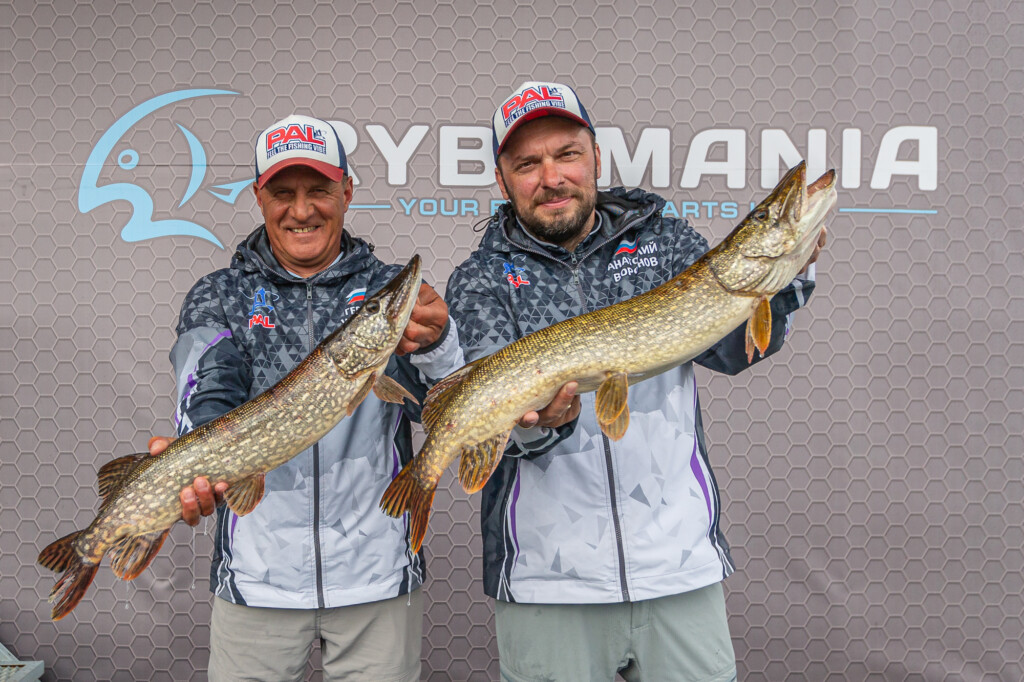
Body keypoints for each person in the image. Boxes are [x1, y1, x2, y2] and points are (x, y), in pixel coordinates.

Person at [445, 82, 826, 682]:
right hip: (549, 582)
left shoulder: (664, 241)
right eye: (528, 163)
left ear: (596, 157)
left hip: (677, 564)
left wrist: (789, 274)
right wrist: (542, 426)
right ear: (502, 180)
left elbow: (734, 350)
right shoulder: (481, 280)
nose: (552, 177)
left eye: (567, 154)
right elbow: (490, 424)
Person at [150, 114, 464, 681]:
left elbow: (443, 409)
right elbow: (207, 398)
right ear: (258, 197)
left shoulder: (389, 288)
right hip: (257, 583)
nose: (301, 210)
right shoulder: (219, 295)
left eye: (318, 189)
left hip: (376, 578)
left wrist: (439, 346)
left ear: (346, 191)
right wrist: (194, 461)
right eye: (283, 193)